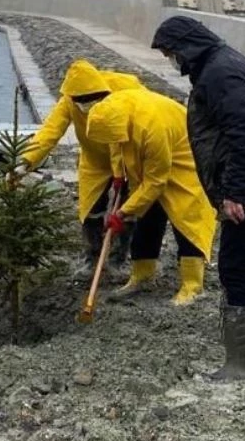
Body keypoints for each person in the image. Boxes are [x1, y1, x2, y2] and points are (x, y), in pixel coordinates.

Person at [151, 15, 245, 380]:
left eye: (171, 54)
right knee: (235, 264)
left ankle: (240, 364)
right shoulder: (219, 65)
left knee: (234, 265)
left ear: (185, 47)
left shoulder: (220, 73)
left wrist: (234, 192)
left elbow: (243, 132)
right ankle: (239, 357)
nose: (172, 61)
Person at [85, 88, 217, 306]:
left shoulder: (153, 128)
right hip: (153, 164)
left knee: (188, 222)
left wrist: (123, 211)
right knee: (147, 218)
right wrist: (118, 177)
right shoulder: (112, 113)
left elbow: (156, 182)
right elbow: (117, 145)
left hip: (185, 162)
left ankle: (193, 286)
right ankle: (143, 274)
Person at [14, 59, 143, 279]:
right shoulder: (69, 102)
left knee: (126, 209)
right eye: (80, 101)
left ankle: (118, 260)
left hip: (127, 156)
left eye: (90, 99)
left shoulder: (126, 89)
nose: (86, 105)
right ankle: (92, 259)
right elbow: (50, 131)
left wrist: (121, 174)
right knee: (90, 208)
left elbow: (140, 124)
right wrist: (26, 161)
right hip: (94, 160)